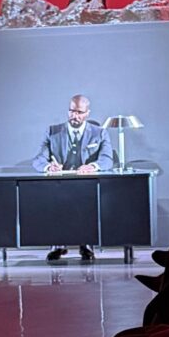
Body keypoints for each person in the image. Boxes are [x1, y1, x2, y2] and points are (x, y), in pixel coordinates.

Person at [39, 90, 107, 264]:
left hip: (87, 184)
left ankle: (86, 245)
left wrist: (93, 166)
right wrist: (48, 166)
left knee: (87, 207)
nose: (74, 116)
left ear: (87, 113)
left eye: (79, 112)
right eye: (72, 111)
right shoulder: (52, 132)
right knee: (55, 207)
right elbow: (39, 158)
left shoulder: (99, 133)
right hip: (59, 183)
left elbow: (107, 159)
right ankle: (57, 245)